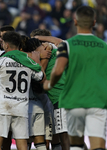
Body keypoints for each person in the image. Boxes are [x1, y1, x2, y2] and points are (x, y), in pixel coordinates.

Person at [43, 6, 107, 150]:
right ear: (94, 23)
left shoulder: (66, 45)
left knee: (76, 145)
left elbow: (58, 70)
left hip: (74, 101)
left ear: (75, 22)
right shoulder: (104, 46)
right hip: (97, 100)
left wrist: (49, 84)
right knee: (98, 145)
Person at [0, 31, 45, 150]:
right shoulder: (28, 61)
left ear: (6, 45)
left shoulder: (2, 60)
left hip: (3, 107)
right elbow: (40, 77)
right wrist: (38, 62)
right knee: (22, 144)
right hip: (21, 107)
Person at [31, 29, 70, 150]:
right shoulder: (61, 48)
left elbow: (39, 75)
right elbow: (61, 41)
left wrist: (41, 58)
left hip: (59, 97)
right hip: (70, 95)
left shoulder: (43, 52)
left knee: (64, 137)